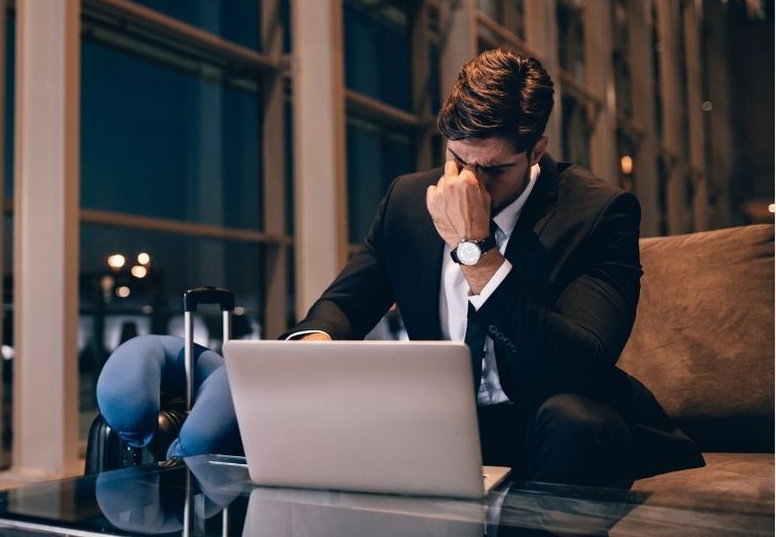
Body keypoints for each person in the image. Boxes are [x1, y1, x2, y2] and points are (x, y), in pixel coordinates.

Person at [98, 48, 704, 487]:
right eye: (457, 161)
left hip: (553, 422)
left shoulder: (599, 213)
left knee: (573, 420)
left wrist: (474, 249)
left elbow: (575, 365)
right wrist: (314, 342)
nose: (468, 183)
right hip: (439, 423)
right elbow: (347, 301)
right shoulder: (408, 201)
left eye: (491, 170)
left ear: (536, 149)